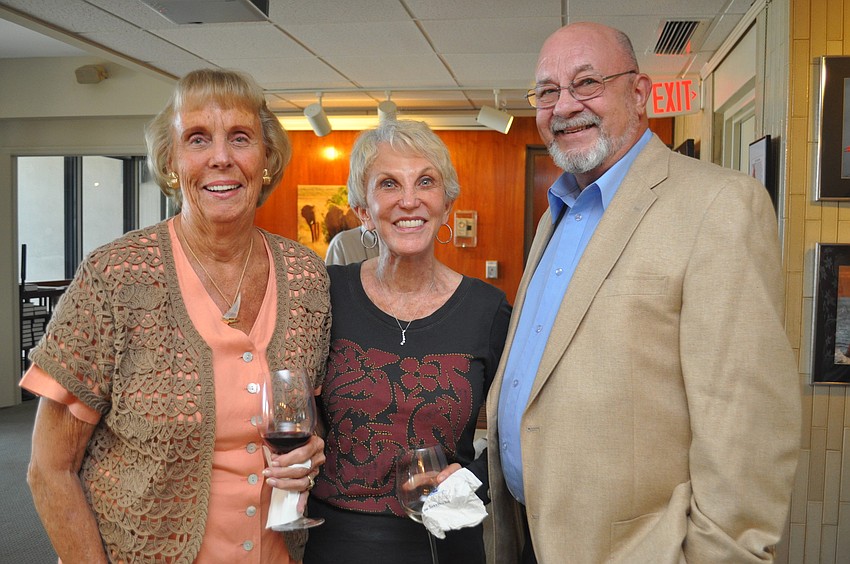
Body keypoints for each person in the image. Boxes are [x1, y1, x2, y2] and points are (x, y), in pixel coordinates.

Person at [487, 22, 801, 564]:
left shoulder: (720, 205)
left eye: (586, 83)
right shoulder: (555, 216)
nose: (563, 107)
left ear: (639, 93)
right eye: (547, 91)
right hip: (528, 538)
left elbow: (746, 436)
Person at [22, 69, 331, 563]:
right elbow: (49, 469)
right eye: (198, 139)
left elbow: (307, 414)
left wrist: (310, 449)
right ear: (171, 162)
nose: (221, 157)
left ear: (267, 160)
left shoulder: (306, 276)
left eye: (240, 138)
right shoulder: (115, 277)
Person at [303, 119, 511, 563]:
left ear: (446, 203)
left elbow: (525, 429)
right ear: (363, 209)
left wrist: (473, 478)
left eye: (426, 182)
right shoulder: (326, 292)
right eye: (389, 184)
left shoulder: (487, 309)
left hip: (444, 543)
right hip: (334, 543)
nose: (410, 200)